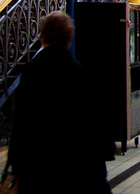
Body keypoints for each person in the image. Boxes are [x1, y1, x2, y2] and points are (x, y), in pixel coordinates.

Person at [10, 11, 114, 193]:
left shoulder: (32, 72)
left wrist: (16, 163)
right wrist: (105, 150)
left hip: (39, 168)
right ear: (69, 39)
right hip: (80, 166)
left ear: (43, 37)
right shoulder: (81, 72)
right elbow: (98, 116)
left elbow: (22, 121)